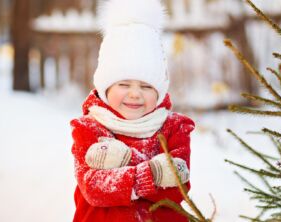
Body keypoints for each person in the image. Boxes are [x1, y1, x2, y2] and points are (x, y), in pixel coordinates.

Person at [69, 0, 195, 221]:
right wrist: (153, 173)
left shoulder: (174, 128)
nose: (135, 94)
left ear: (160, 89)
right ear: (105, 86)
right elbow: (94, 187)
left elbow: (178, 187)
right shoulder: (88, 128)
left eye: (146, 86)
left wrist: (121, 167)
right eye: (124, 84)